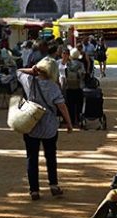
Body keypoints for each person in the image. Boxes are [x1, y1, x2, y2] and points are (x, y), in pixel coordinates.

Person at [16, 58, 74, 200]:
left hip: (31, 125)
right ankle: (53, 185)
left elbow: (18, 71)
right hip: (49, 127)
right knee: (50, 156)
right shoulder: (53, 86)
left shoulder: (29, 80)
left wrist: (32, 70)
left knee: (32, 157)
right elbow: (61, 106)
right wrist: (69, 123)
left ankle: (34, 190)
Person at [59, 47, 87, 128]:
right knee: (79, 105)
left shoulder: (68, 64)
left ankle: (71, 120)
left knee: (70, 105)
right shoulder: (80, 64)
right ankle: (78, 120)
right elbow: (83, 74)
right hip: (79, 87)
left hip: (69, 87)